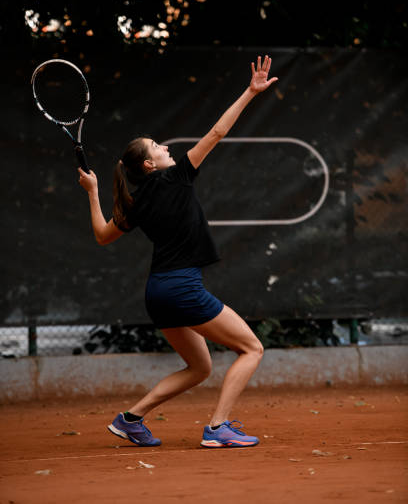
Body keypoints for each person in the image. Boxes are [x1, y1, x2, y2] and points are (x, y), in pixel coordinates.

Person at [78, 55, 278, 448]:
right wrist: (250, 92)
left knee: (200, 367)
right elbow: (218, 132)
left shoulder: (135, 202)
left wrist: (92, 192)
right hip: (182, 289)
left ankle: (131, 418)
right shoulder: (176, 176)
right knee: (252, 348)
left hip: (158, 293)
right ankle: (218, 428)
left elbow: (102, 235)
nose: (167, 146)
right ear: (151, 164)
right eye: (158, 145)